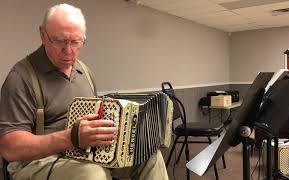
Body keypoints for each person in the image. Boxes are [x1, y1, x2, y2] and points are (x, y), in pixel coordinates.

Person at [0, 4, 168, 180]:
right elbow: (10, 147)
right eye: (60, 41)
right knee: (92, 174)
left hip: (84, 153)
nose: (69, 51)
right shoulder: (21, 77)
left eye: (75, 42)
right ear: (43, 35)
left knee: (149, 157)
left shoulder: (84, 72)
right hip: (37, 162)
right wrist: (70, 138)